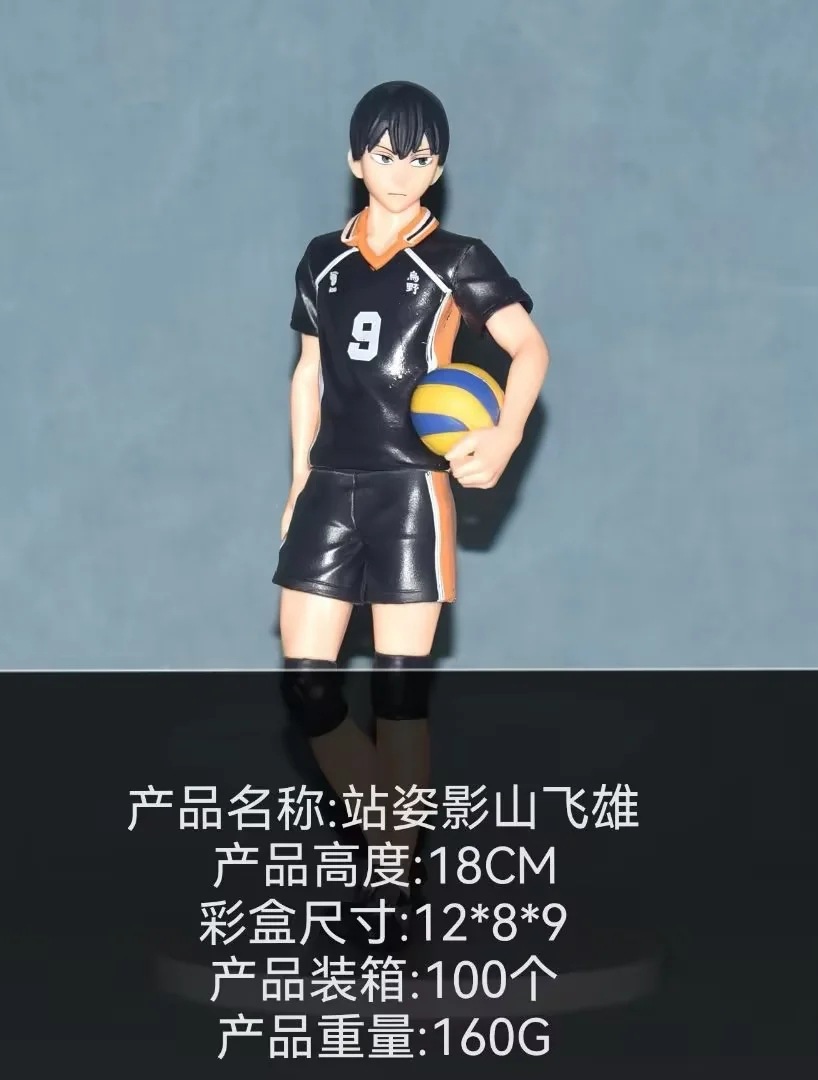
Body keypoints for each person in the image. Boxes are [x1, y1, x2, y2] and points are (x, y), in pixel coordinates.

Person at [274, 81, 550, 944]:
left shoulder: (456, 257)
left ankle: (393, 881)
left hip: (410, 490)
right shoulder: (320, 259)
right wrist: (296, 481)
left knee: (398, 695)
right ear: (356, 160)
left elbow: (528, 348)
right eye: (387, 154)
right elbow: (309, 373)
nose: (403, 171)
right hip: (331, 484)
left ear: (440, 168)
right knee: (307, 683)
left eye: (422, 156)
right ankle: (393, 840)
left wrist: (504, 435)